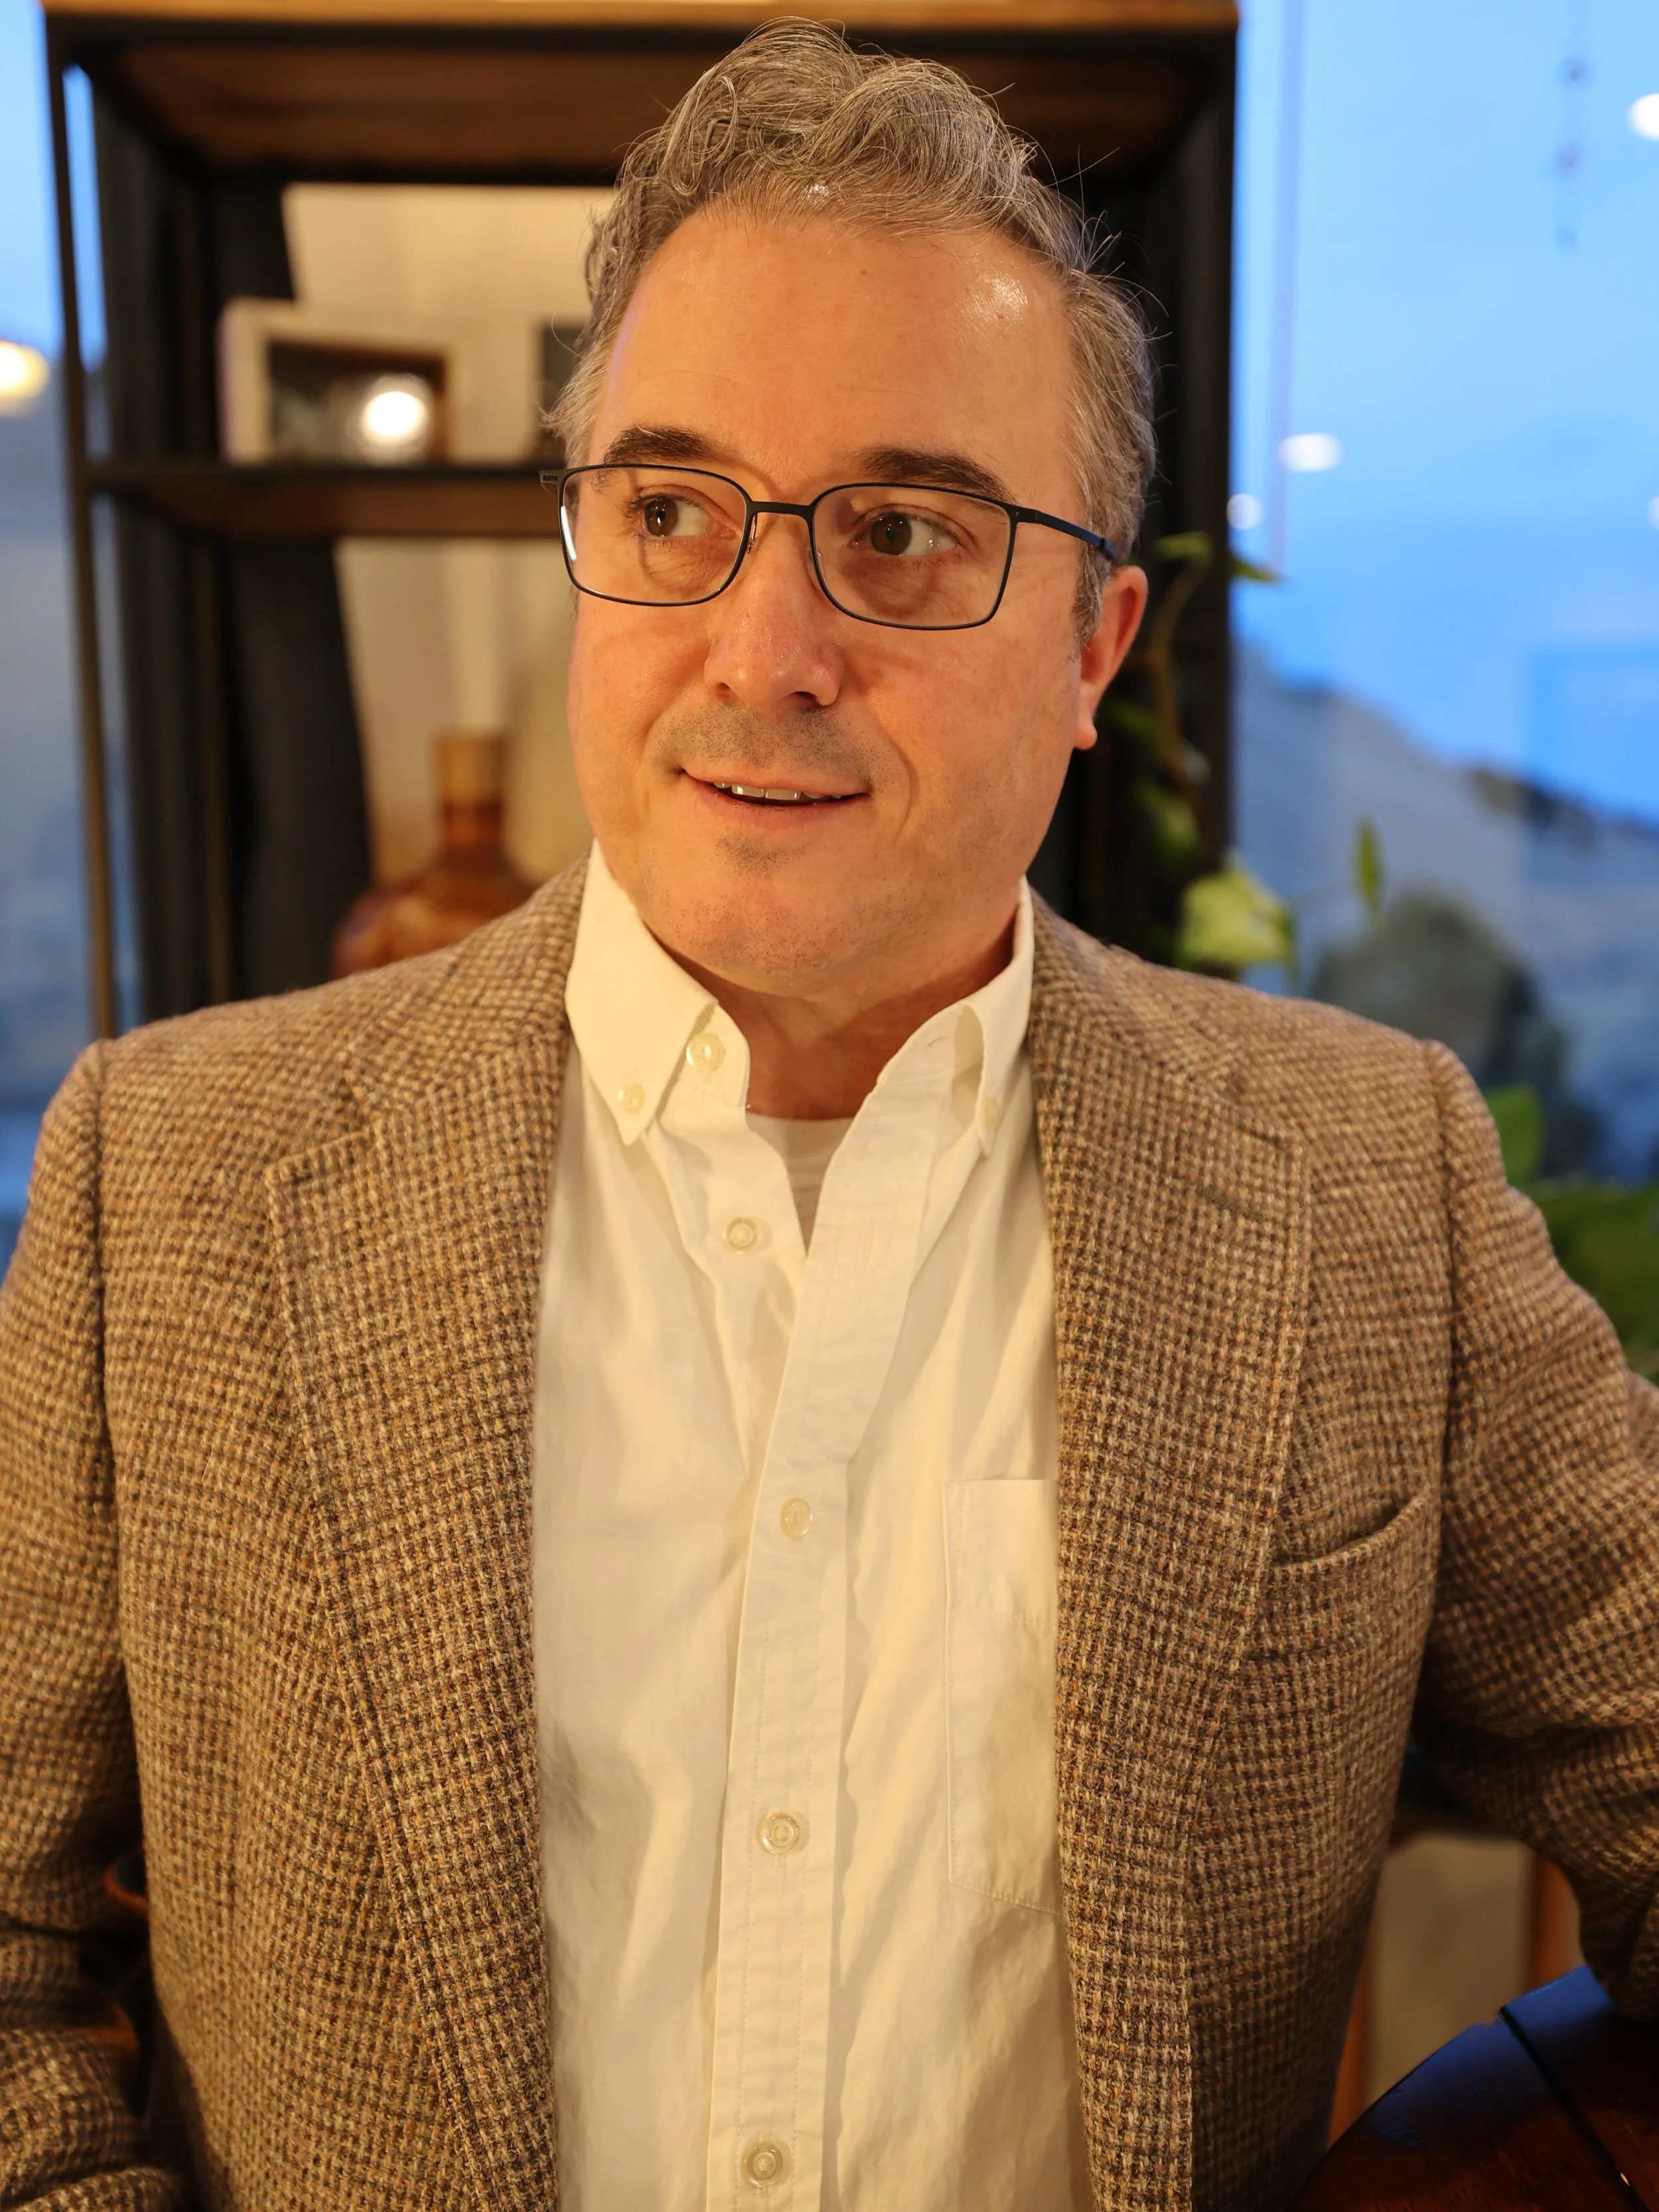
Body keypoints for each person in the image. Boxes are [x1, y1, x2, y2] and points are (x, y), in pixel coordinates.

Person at [1, 23, 1654, 2212]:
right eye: (670, 508)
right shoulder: (174, 1178)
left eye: (898, 530)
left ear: (1092, 643)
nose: (759, 647)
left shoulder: (1369, 1192)